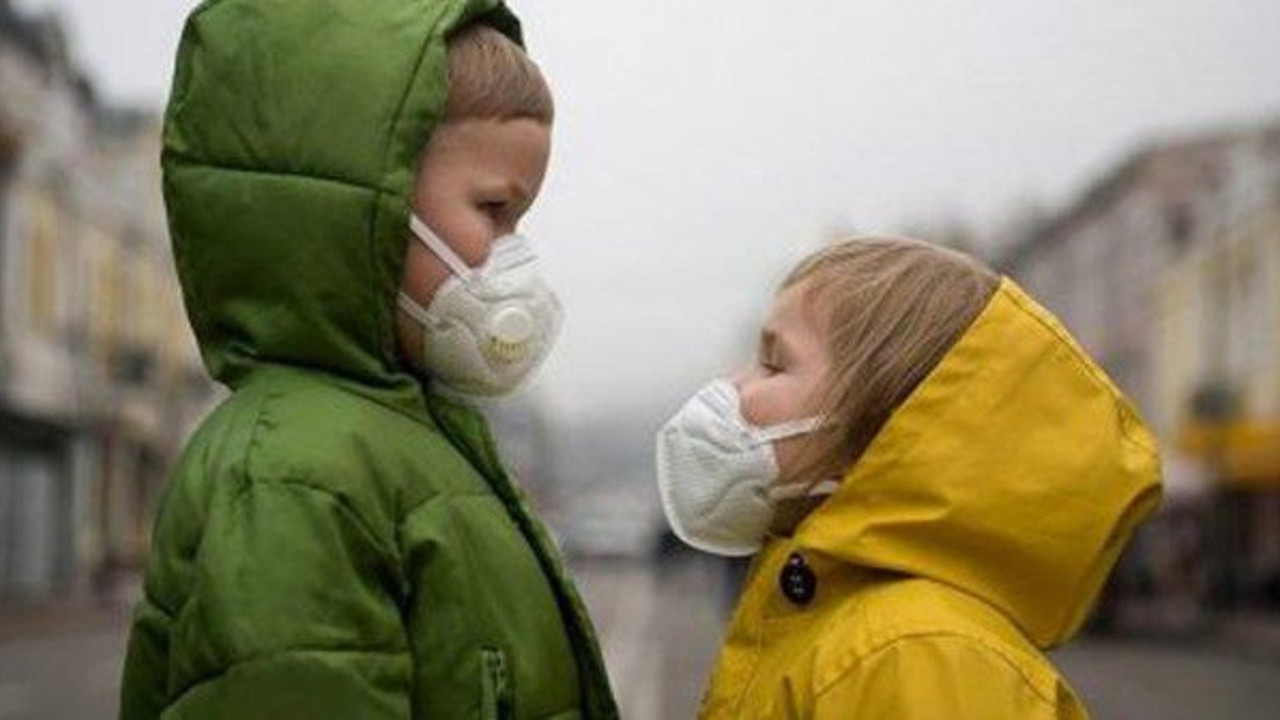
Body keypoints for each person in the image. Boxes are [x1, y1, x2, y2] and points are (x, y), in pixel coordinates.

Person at [119, 2, 617, 718]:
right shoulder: (296, 477)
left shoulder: (409, 437)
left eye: (521, 221)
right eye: (493, 210)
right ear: (368, 203)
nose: (514, 256)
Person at [656, 237, 1162, 718]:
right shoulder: (854, 624)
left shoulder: (913, 656)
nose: (733, 385)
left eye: (772, 363)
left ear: (883, 419)